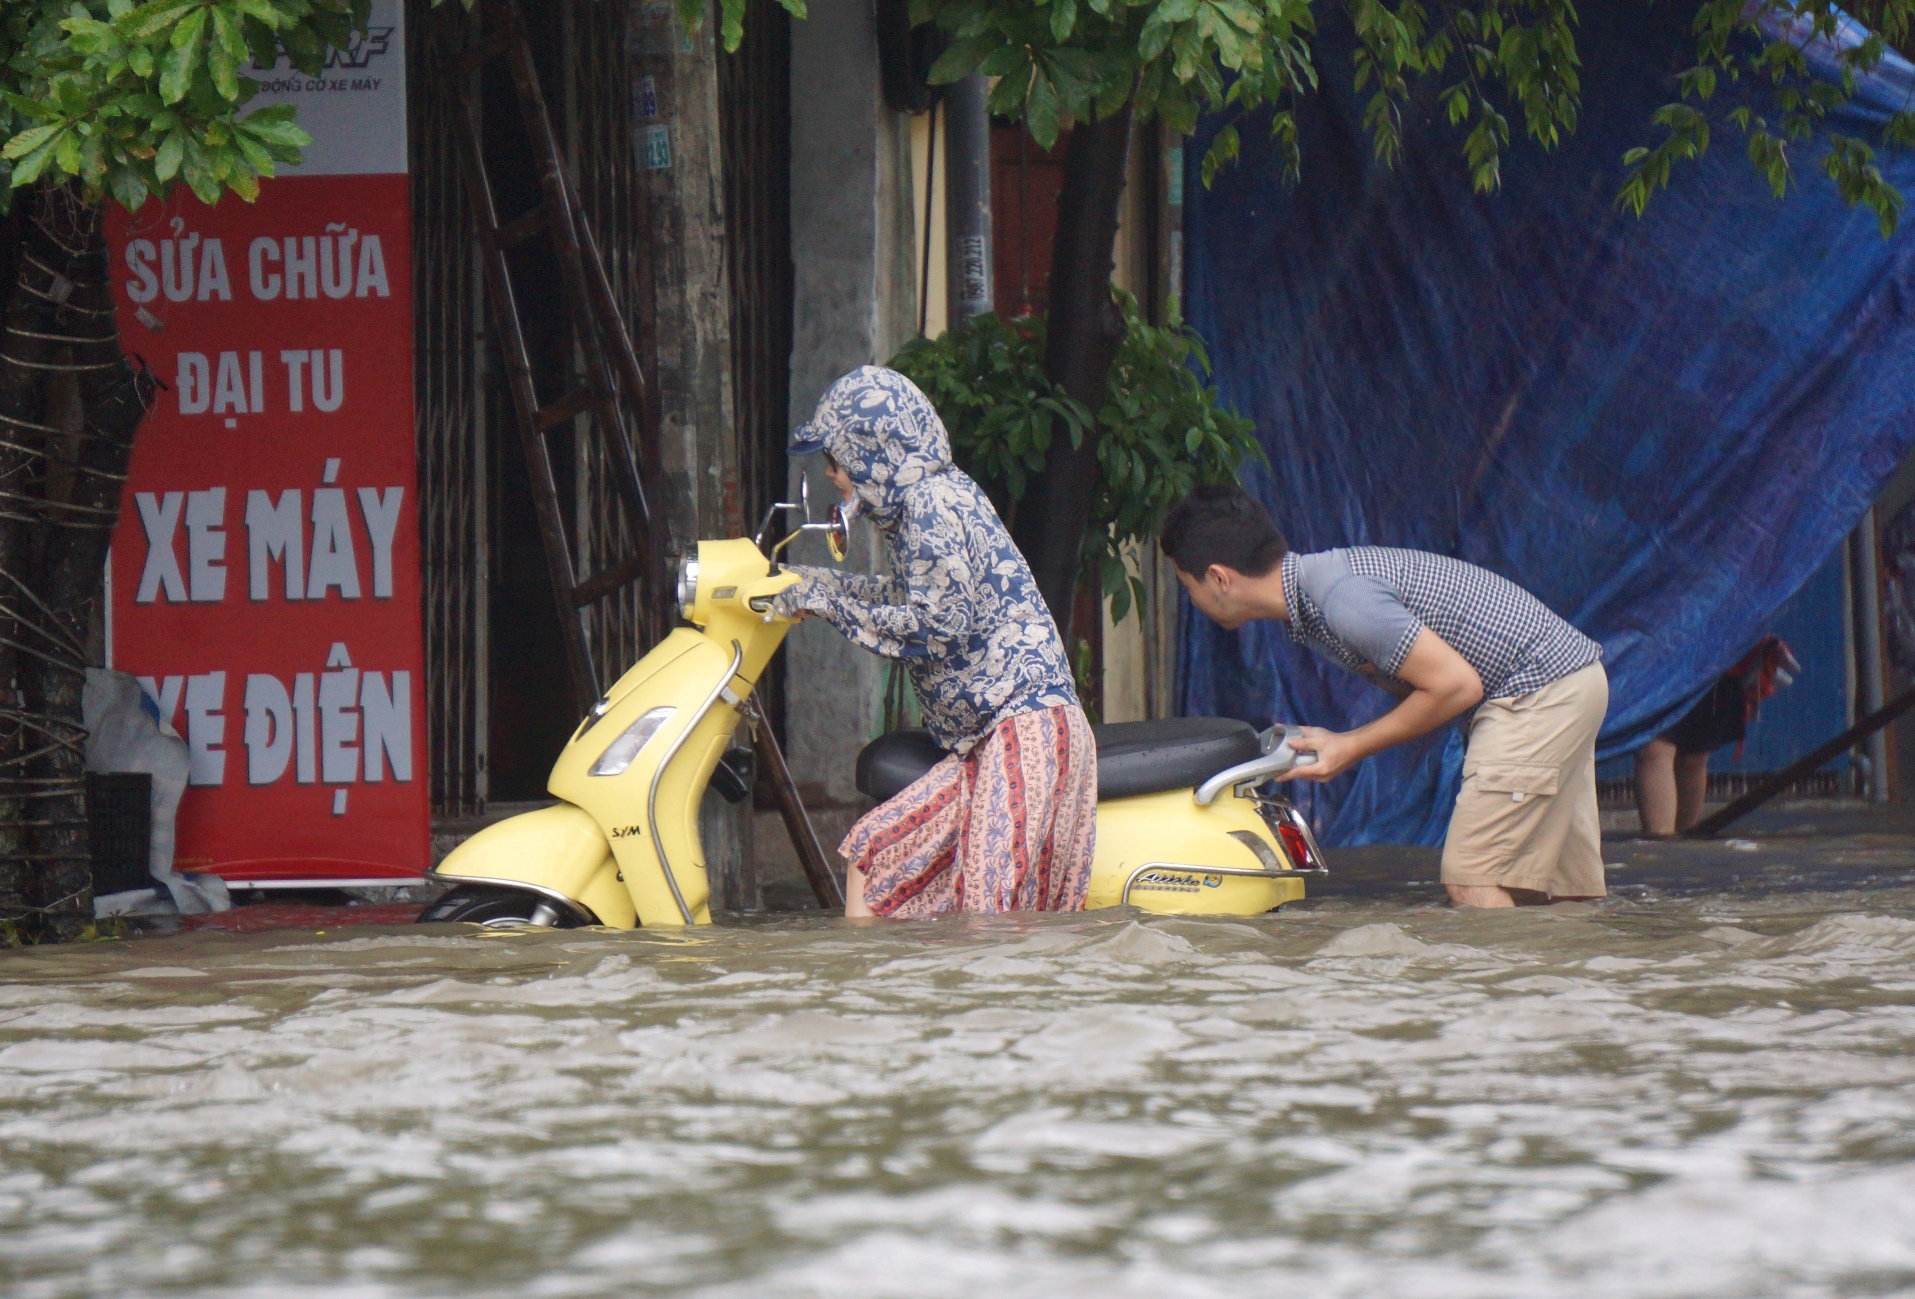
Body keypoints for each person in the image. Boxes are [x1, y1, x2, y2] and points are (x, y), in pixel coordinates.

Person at [1160, 485, 1608, 907]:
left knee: (1472, 881)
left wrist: (1350, 746)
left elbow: (1457, 686)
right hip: (1568, 682)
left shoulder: (1342, 598)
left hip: (1535, 691)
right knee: (1558, 891)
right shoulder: (1320, 587)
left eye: (1188, 586)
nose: (1191, 599)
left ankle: (1500, 969)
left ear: (1218, 578)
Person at [774, 365, 1096, 919]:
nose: (831, 474)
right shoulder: (927, 501)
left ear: (872, 451)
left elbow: (938, 626)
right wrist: (811, 582)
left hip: (1025, 728)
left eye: (836, 459)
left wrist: (828, 603)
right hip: (986, 742)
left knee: (987, 919)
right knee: (874, 854)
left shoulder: (929, 505)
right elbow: (907, 596)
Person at [1635, 635, 1799, 837]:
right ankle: (1661, 840)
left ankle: (1682, 839)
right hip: (1662, 652)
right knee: (1655, 748)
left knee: (1693, 754)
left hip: (1715, 655)